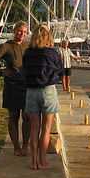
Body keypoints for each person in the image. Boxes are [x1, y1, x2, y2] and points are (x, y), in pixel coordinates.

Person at [0, 21, 29, 156]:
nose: (22, 34)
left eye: (25, 32)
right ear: (14, 31)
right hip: (12, 87)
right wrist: (1, 72)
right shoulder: (6, 46)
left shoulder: (28, 46)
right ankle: (16, 146)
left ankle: (25, 146)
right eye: (19, 31)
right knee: (13, 117)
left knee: (27, 117)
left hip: (27, 88)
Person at [22, 25, 63, 170]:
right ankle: (42, 160)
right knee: (46, 129)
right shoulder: (53, 53)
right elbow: (60, 71)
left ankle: (33, 161)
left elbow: (24, 70)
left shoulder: (27, 53)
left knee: (34, 128)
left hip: (31, 91)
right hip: (48, 91)